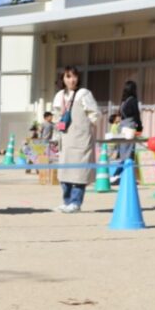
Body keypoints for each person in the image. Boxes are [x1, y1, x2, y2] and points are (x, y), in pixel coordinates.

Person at [52, 66, 100, 213]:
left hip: (81, 139)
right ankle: (66, 201)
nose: (72, 80)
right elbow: (56, 117)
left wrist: (88, 129)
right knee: (64, 172)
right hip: (65, 139)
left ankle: (75, 203)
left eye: (74, 76)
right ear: (62, 78)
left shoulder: (84, 93)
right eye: (68, 76)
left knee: (80, 173)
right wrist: (56, 136)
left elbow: (95, 114)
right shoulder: (59, 95)